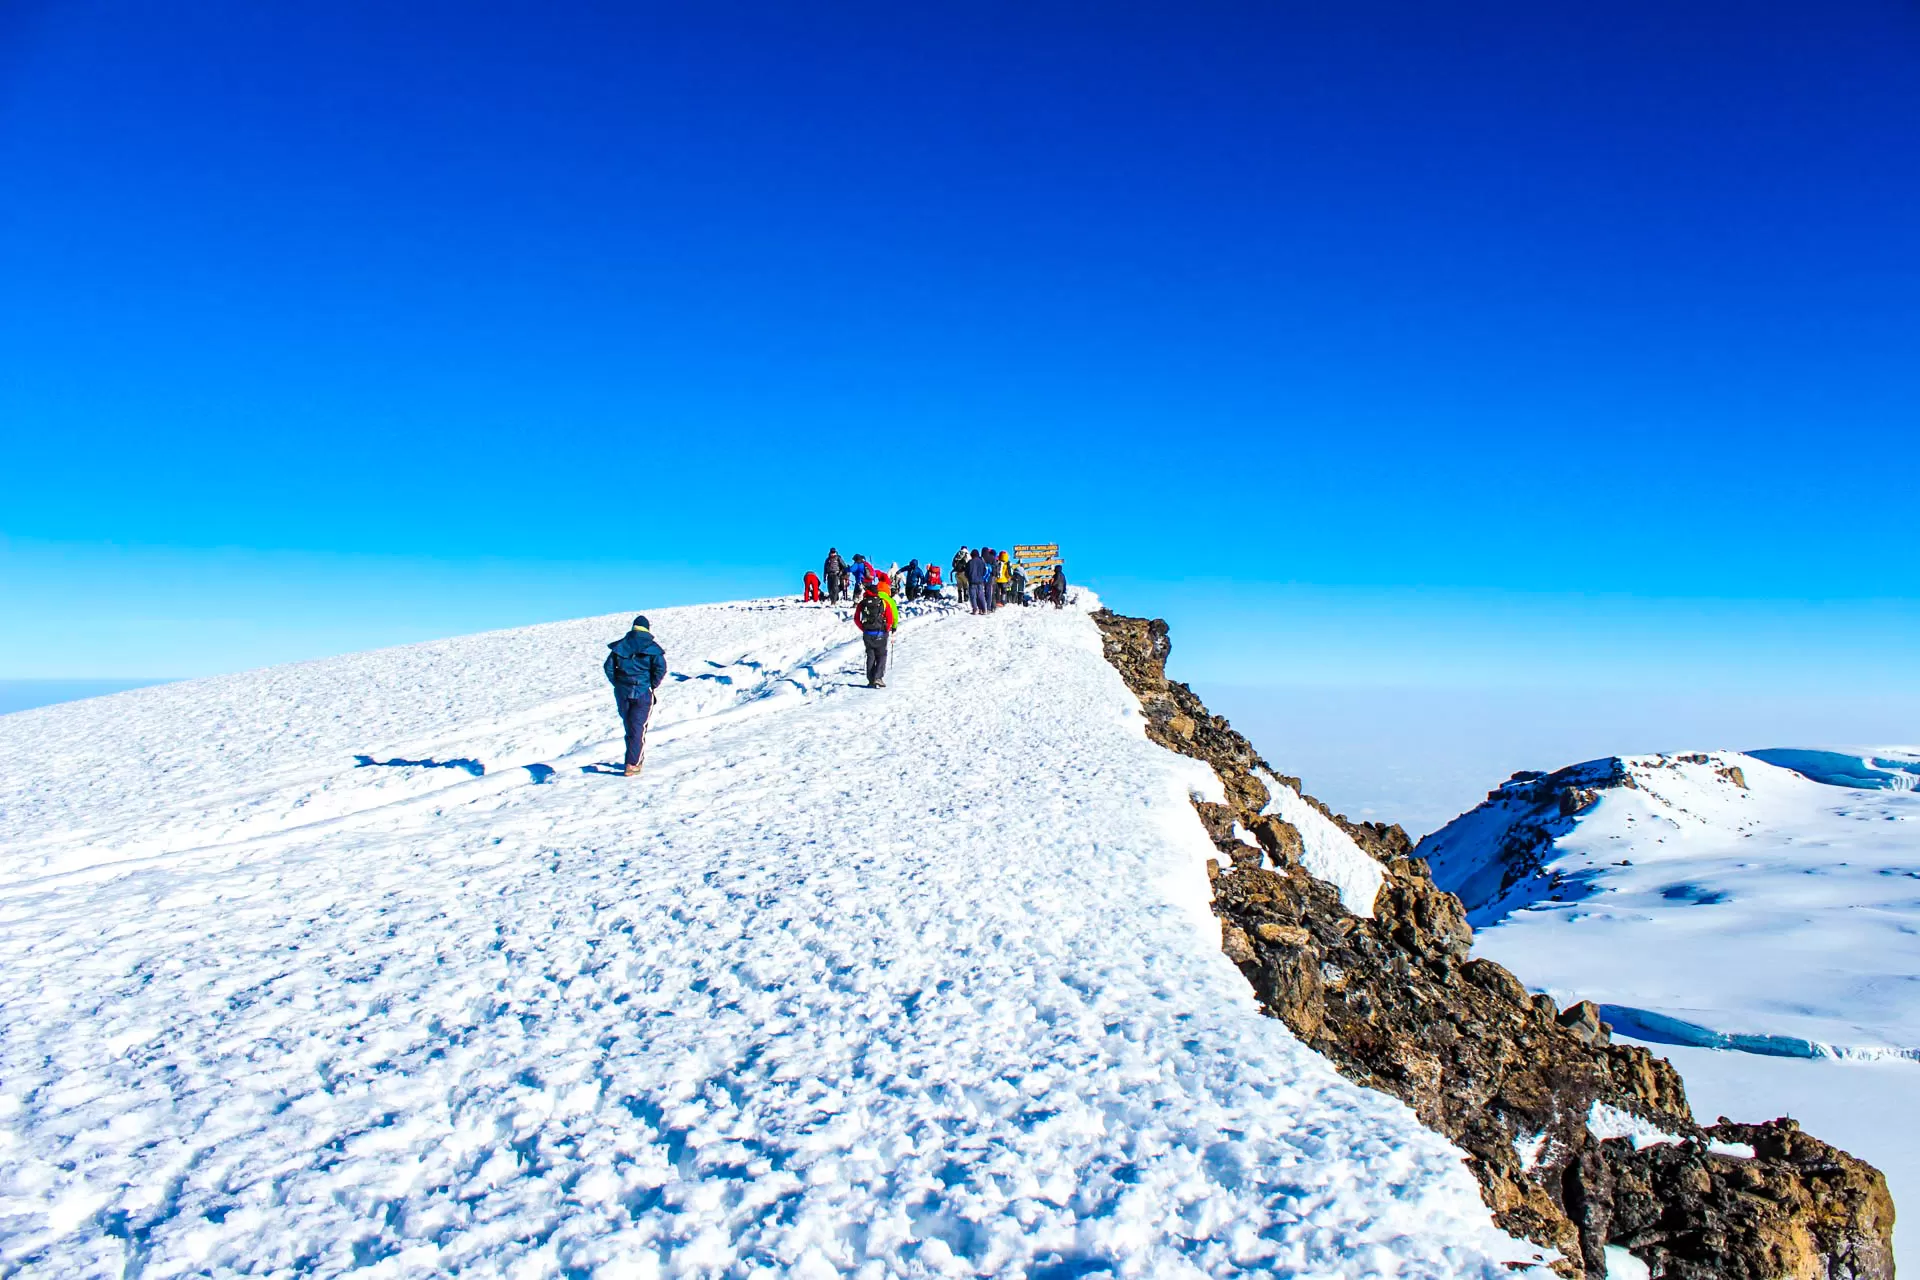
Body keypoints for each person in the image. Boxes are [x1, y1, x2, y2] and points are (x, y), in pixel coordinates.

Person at [604, 615, 668, 777]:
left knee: (629, 727)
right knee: (638, 728)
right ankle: (632, 764)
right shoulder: (652, 648)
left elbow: (608, 668)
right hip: (642, 692)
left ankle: (631, 760)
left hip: (623, 692)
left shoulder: (621, 646)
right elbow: (660, 668)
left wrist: (618, 684)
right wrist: (652, 685)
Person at [855, 581, 896, 687]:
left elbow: (856, 619)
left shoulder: (862, 603)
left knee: (870, 656)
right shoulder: (883, 602)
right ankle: (878, 677)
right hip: (881, 633)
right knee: (881, 655)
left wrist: (863, 628)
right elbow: (890, 618)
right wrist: (886, 629)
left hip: (868, 633)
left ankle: (870, 680)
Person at [967, 548, 992, 614]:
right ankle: (984, 609)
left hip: (972, 582)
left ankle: (975, 609)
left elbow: (966, 572)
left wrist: (969, 577)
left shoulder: (969, 562)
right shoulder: (981, 562)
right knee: (981, 596)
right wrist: (981, 576)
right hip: (980, 581)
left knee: (973, 596)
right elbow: (984, 571)